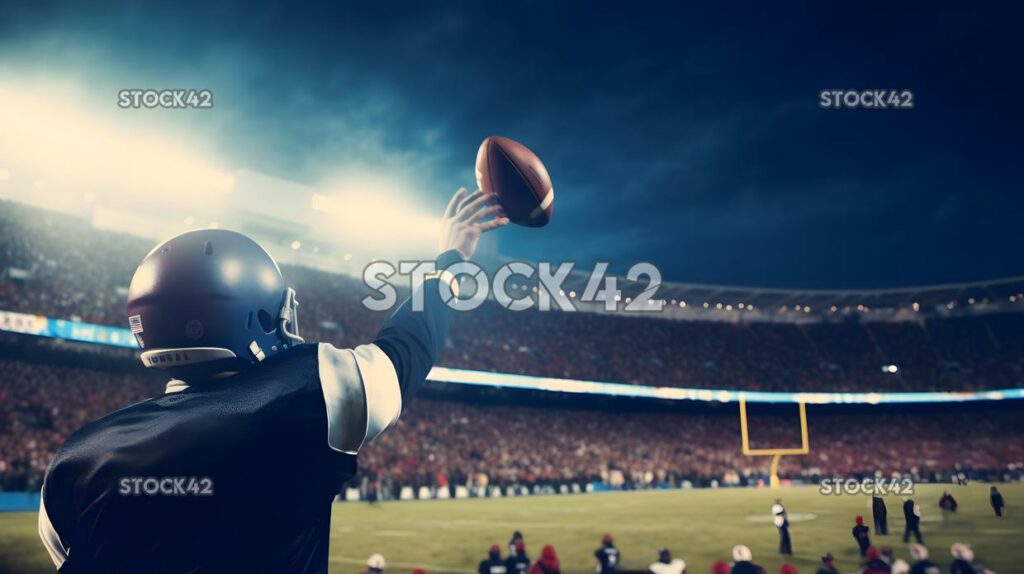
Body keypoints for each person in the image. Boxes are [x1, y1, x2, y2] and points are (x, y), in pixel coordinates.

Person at [36, 189, 508, 572]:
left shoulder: (72, 461)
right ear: (254, 313)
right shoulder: (304, 392)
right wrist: (449, 261)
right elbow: (408, 347)